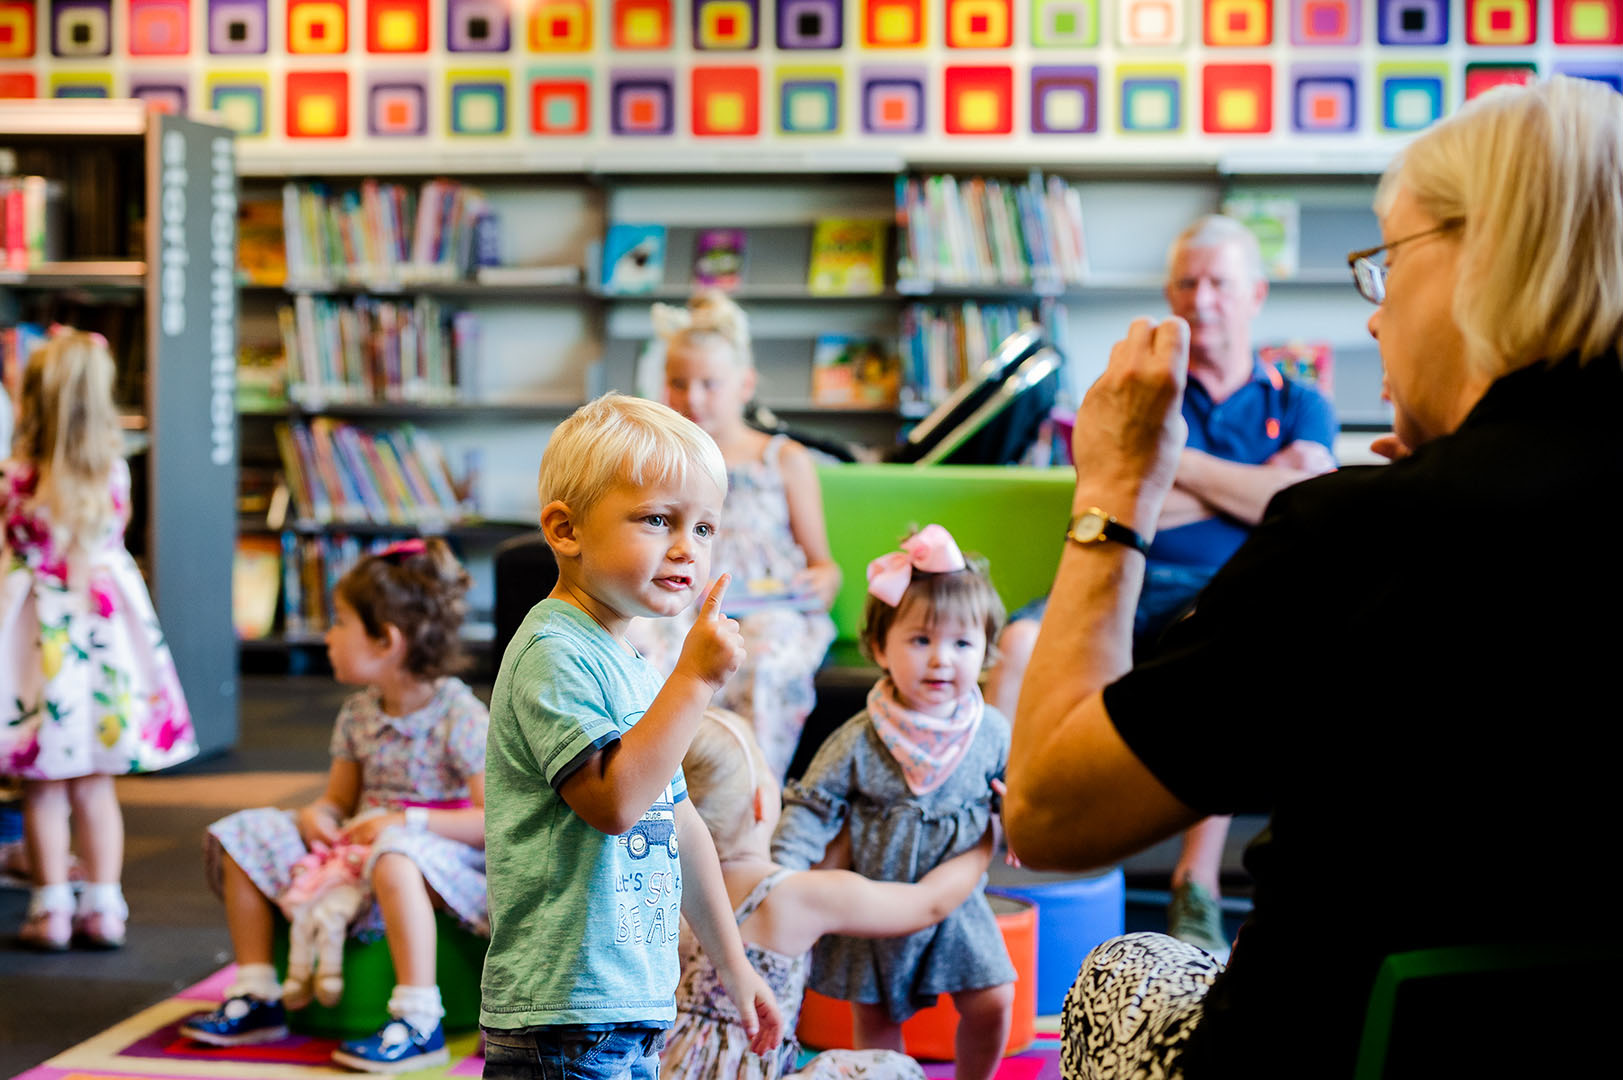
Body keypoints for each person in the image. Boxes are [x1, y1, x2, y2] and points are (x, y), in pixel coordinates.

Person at [1003, 76, 1623, 1079]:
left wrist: (1115, 487)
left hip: (1336, 1049)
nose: (1374, 322)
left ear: (1481, 257)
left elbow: (1047, 812)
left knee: (1125, 970)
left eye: (1386, 265)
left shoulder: (1372, 533)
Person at [983, 216, 1339, 959]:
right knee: (1016, 641)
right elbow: (1100, 488)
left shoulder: (1297, 397)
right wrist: (1250, 483)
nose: (1200, 297)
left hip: (1215, 594)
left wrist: (1159, 464)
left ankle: (1195, 884)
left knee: (1220, 659)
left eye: (1218, 282)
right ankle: (981, 851)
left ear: (1255, 295)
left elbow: (1297, 498)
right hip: (1113, 577)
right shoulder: (1138, 386)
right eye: (1185, 281)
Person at [480, 393, 782, 1080]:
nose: (686, 548)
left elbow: (678, 822)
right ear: (565, 529)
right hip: (562, 1013)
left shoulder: (630, 663)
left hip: (621, 1004)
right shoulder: (553, 651)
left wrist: (734, 969)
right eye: (656, 520)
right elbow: (614, 805)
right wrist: (695, 681)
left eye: (704, 528)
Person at [183, 538, 488, 1074]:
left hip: (440, 861)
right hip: (358, 852)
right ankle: (259, 995)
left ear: (386, 641)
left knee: (395, 855)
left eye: (341, 622)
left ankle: (419, 1018)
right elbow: (336, 801)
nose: (329, 636)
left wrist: (406, 822)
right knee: (247, 830)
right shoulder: (356, 714)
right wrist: (316, 818)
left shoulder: (459, 716)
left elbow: (493, 822)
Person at [772, 525, 1014, 1080]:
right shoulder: (861, 736)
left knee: (994, 997)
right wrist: (785, 871)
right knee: (877, 1022)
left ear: (984, 651)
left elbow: (1014, 791)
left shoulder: (991, 730)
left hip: (956, 901)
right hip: (876, 902)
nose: (941, 660)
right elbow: (812, 804)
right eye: (920, 640)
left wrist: (1020, 819)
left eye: (961, 643)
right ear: (881, 647)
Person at [665, 707, 999, 1080]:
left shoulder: (663, 889)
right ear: (762, 803)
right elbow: (929, 903)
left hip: (662, 1066)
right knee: (894, 1070)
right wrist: (988, 837)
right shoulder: (791, 895)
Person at [0, 329, 197, 951]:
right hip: (104, 644)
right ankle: (106, 907)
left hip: (37, 645)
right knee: (96, 785)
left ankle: (50, 908)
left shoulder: (16, 475)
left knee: (44, 785)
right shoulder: (115, 473)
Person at [631, 291, 840, 779]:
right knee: (642, 643)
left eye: (710, 383)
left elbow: (823, 564)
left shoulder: (783, 460)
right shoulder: (665, 464)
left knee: (766, 661)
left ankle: (753, 796)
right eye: (678, 384)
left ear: (745, 385)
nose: (693, 398)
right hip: (684, 603)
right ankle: (659, 787)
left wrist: (820, 583)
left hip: (769, 610)